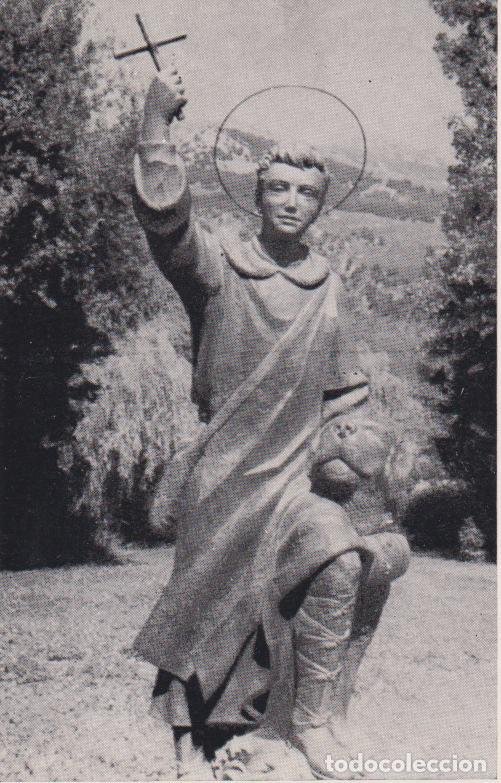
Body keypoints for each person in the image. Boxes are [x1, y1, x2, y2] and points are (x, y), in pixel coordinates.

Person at [131, 68, 410, 780]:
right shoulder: (221, 269)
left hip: (296, 477)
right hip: (225, 478)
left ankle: (306, 721)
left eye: (307, 192)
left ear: (323, 203)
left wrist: (358, 456)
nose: (292, 201)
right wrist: (155, 124)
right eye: (279, 187)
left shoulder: (330, 290)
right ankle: (192, 750)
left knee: (341, 558)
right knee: (204, 622)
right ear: (256, 193)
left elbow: (345, 394)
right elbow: (166, 227)